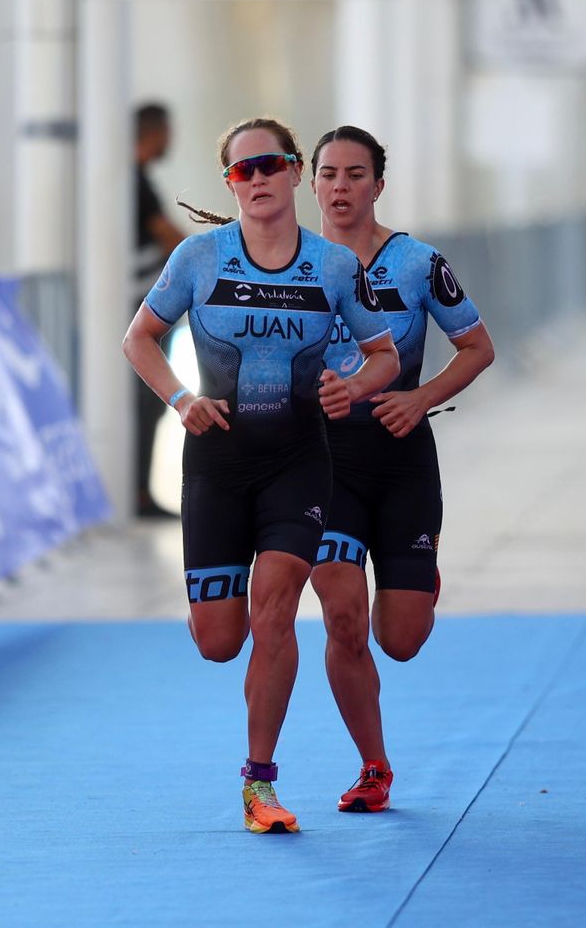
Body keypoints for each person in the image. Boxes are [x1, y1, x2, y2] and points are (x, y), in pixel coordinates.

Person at [121, 117, 399, 834]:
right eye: (244, 170)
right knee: (219, 639)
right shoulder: (198, 258)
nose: (258, 179)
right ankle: (247, 691)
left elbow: (385, 358)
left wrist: (355, 388)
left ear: (295, 170)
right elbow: (139, 338)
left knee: (275, 612)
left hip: (298, 464)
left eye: (270, 165)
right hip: (217, 464)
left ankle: (259, 783)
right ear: (230, 183)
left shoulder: (334, 267)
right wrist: (182, 400)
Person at [307, 126, 495, 814]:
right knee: (343, 621)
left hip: (402, 457)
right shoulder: (289, 266)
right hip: (324, 468)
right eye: (328, 174)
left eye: (356, 175)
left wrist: (420, 398)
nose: (340, 187)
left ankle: (418, 574)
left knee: (401, 639)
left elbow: (477, 347)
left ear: (378, 186)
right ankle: (373, 765)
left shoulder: (417, 263)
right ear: (312, 184)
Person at [132, 102, 185, 518]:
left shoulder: (135, 179)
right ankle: (137, 494)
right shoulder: (136, 182)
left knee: (146, 400)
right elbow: (169, 235)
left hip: (138, 303)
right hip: (139, 306)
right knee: (145, 398)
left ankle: (139, 492)